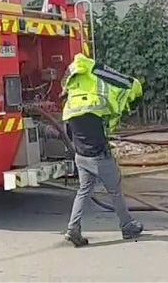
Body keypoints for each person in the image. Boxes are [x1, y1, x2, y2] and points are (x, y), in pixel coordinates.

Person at [61, 53, 145, 247]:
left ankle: (73, 229)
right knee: (115, 190)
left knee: (83, 191)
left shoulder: (71, 104)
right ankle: (127, 225)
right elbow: (112, 108)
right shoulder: (95, 101)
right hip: (99, 156)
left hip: (80, 156)